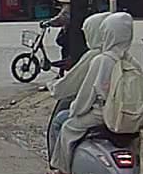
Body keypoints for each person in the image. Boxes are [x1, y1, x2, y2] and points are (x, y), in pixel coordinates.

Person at [49, 12, 135, 174]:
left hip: (103, 114)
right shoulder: (130, 60)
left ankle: (63, 170)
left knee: (66, 125)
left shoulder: (101, 60)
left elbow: (86, 95)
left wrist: (75, 111)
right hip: (128, 116)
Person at [46, 11, 111, 147]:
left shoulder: (95, 57)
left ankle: (60, 159)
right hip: (122, 116)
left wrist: (53, 87)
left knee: (60, 121)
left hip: (100, 113)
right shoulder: (125, 57)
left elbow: (75, 87)